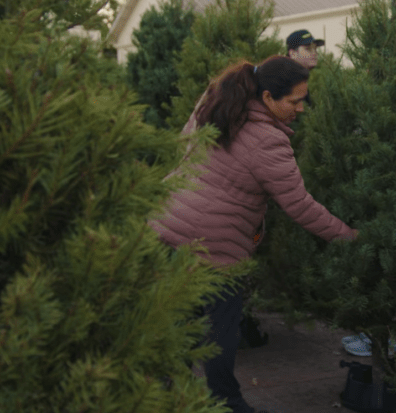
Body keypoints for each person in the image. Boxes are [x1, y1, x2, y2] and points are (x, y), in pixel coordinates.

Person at [149, 55, 357, 413]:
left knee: (172, 334)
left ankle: (164, 400)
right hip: (215, 252)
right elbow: (300, 206)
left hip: (166, 228)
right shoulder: (268, 141)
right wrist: (349, 236)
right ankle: (227, 404)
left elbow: (185, 144)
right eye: (295, 101)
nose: (301, 109)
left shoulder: (215, 101)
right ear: (266, 97)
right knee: (219, 338)